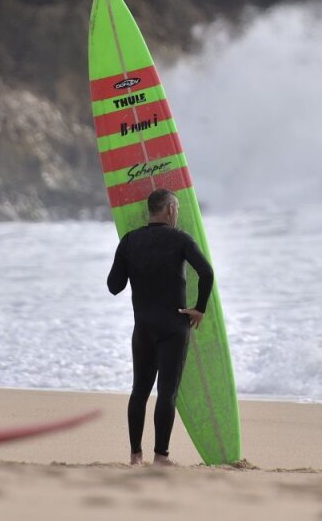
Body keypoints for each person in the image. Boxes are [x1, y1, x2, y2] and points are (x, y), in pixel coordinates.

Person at [107, 188, 214, 466]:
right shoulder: (180, 239)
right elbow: (206, 273)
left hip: (142, 328)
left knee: (139, 391)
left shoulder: (130, 241)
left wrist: (134, 266)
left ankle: (135, 455)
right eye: (176, 208)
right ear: (169, 210)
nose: (177, 213)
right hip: (173, 328)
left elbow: (113, 287)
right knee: (167, 393)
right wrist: (199, 309)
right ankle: (160, 456)